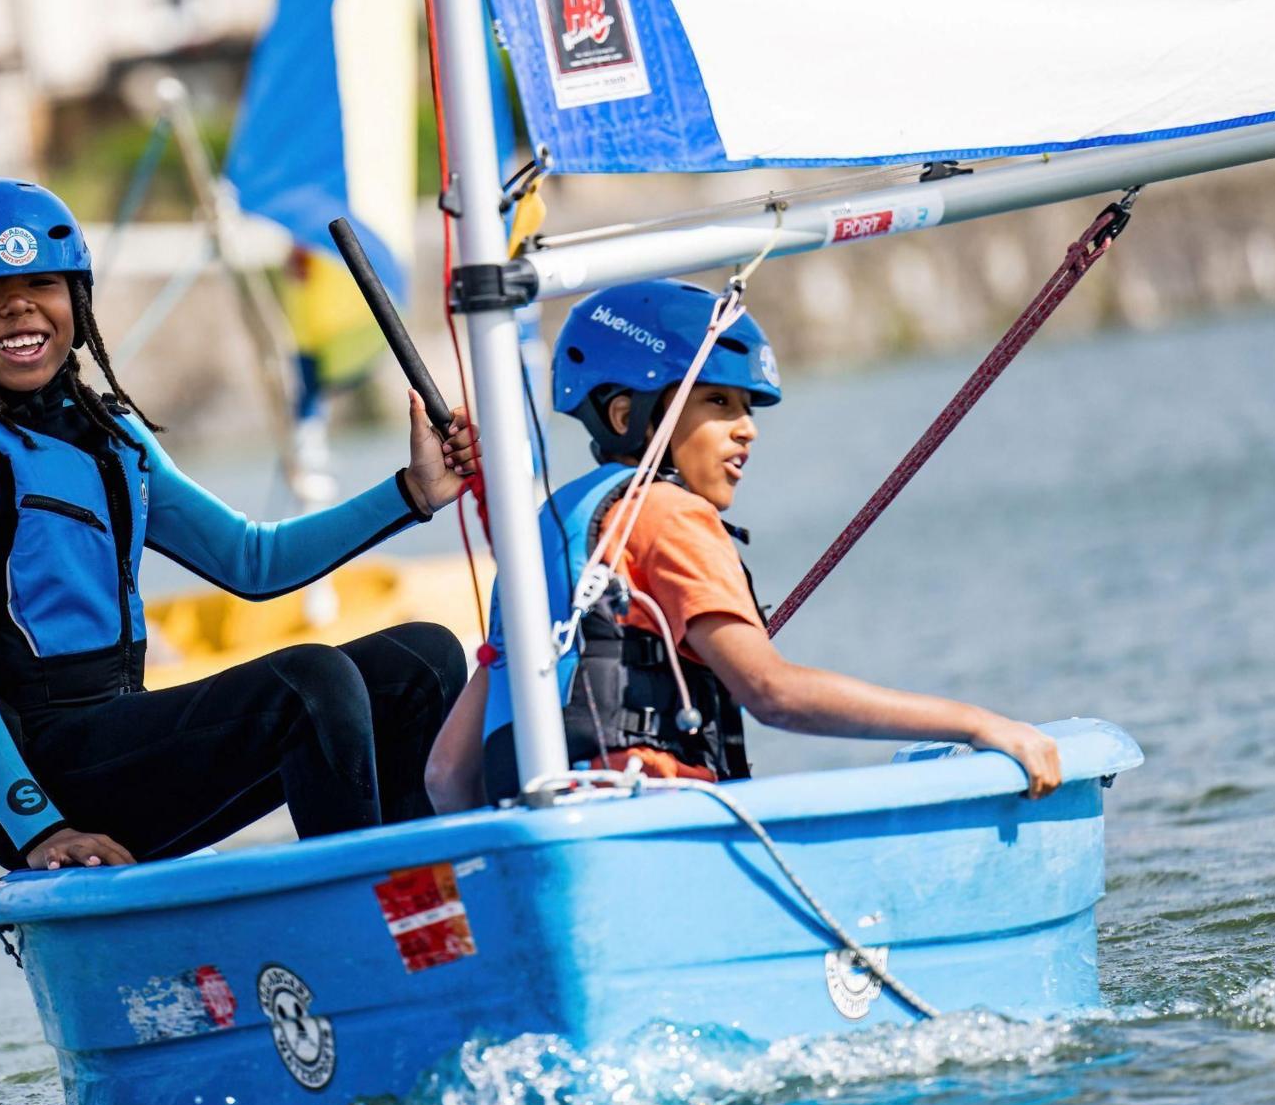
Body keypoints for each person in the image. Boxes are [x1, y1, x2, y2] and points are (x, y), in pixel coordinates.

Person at [0, 178, 478, 872]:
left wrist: (414, 492)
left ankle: (428, 903)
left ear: (75, 296)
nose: (18, 306)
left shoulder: (111, 434)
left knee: (423, 661)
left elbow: (252, 562)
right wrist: (39, 829)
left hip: (132, 740)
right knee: (309, 683)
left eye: (41, 282)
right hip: (50, 779)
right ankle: (369, 908)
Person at [423, 278, 1061, 811]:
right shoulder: (670, 515)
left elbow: (448, 773)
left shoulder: (551, 529)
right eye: (718, 403)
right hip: (654, 834)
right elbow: (772, 693)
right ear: (626, 416)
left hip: (549, 836)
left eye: (748, 406)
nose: (747, 429)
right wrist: (979, 723)